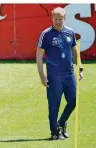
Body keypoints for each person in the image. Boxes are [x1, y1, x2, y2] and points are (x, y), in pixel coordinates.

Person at [36, 7, 83, 140]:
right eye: (56, 19)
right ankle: (54, 132)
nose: (58, 22)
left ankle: (61, 123)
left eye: (60, 19)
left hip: (69, 73)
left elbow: (74, 51)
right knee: (54, 105)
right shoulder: (46, 34)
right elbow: (39, 55)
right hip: (54, 75)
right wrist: (42, 75)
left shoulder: (70, 32)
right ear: (52, 19)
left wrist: (80, 67)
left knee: (74, 101)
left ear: (64, 19)